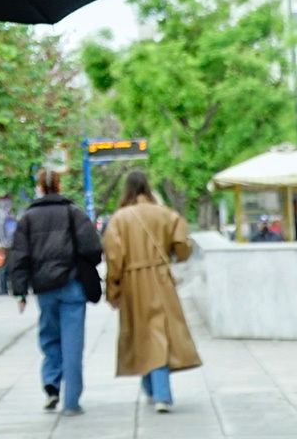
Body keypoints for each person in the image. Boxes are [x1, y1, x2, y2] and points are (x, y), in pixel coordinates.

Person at [103, 171, 201, 414]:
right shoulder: (165, 214)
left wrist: (113, 289)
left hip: (132, 281)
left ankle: (156, 391)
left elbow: (114, 258)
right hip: (160, 279)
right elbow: (183, 247)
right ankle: (159, 393)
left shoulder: (119, 219)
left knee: (141, 333)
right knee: (160, 332)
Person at [10, 169, 102, 416]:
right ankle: (71, 402)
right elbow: (94, 249)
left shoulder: (28, 218)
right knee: (73, 345)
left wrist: (20, 292)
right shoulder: (73, 213)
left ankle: (51, 386)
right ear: (59, 185)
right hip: (72, 286)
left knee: (50, 338)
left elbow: (18, 256)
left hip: (44, 289)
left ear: (39, 187)